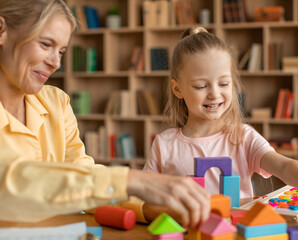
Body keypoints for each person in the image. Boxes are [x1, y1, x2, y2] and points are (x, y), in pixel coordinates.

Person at [0, 0, 209, 228]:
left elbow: (82, 177)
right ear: (2, 31)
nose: (55, 63)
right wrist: (131, 180)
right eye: (45, 44)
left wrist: (147, 208)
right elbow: (9, 183)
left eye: (61, 51)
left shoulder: (56, 103)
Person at [143, 26, 298, 231]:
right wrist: (173, 212)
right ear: (177, 88)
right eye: (201, 86)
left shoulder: (242, 137)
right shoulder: (164, 144)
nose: (214, 94)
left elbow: (284, 166)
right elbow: (142, 200)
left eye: (223, 84)